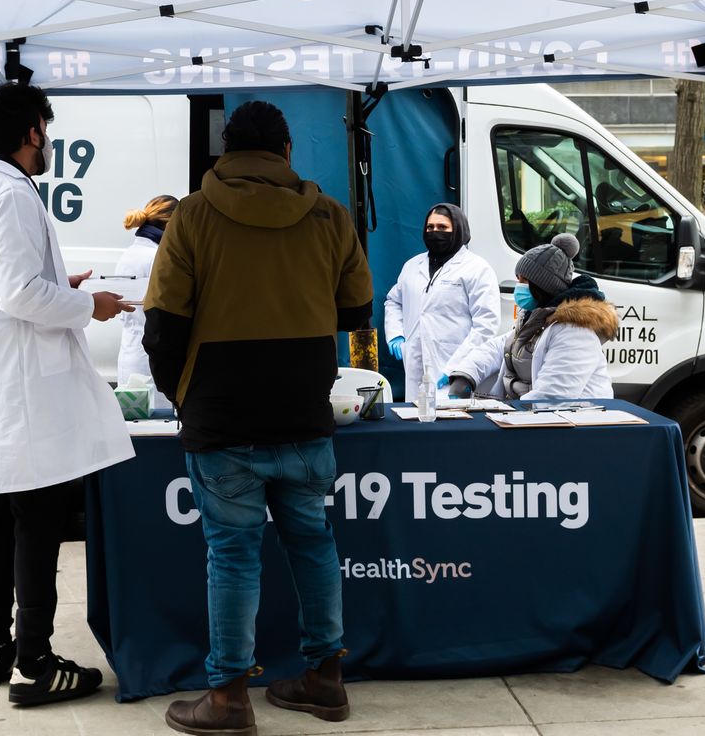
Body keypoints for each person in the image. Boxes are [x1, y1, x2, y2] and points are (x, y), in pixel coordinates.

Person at [143, 100, 373, 736]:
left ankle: (228, 699)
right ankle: (325, 680)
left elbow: (162, 325)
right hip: (303, 407)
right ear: (286, 152)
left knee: (233, 556)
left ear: (226, 152)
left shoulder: (192, 216)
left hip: (221, 412)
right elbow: (357, 311)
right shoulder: (329, 215)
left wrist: (183, 395)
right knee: (313, 542)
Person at [0, 82, 134, 708]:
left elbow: (3, 283)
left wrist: (61, 281)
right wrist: (88, 305)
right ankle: (35, 663)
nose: (48, 142)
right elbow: (18, 293)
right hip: (19, 389)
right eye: (46, 131)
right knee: (36, 522)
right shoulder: (12, 193)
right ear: (32, 133)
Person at [445, 234, 618, 402]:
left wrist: (508, 412)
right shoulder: (536, 317)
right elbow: (500, 347)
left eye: (524, 281)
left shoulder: (574, 332)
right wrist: (465, 375)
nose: (518, 286)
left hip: (572, 418)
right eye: (518, 279)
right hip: (530, 413)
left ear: (543, 287)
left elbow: (552, 397)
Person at [384, 203, 505, 405]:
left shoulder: (477, 269)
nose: (435, 232)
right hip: (416, 366)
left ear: (458, 230)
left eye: (442, 227)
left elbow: (486, 325)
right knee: (416, 417)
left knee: (451, 419)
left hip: (455, 369)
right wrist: (395, 333)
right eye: (430, 227)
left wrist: (456, 367)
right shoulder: (412, 266)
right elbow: (394, 300)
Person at [115, 194, 179, 411]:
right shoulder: (158, 258)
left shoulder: (129, 254)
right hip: (151, 361)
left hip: (129, 353)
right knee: (158, 424)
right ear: (171, 226)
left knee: (135, 424)